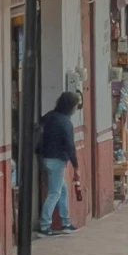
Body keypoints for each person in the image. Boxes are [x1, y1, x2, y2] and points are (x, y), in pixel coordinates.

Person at [36, 91, 80, 236]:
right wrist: (76, 166)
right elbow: (69, 146)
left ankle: (66, 222)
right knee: (54, 192)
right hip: (57, 160)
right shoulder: (65, 122)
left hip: (44, 158)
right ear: (71, 107)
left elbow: (38, 128)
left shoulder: (49, 116)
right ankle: (45, 225)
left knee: (63, 189)